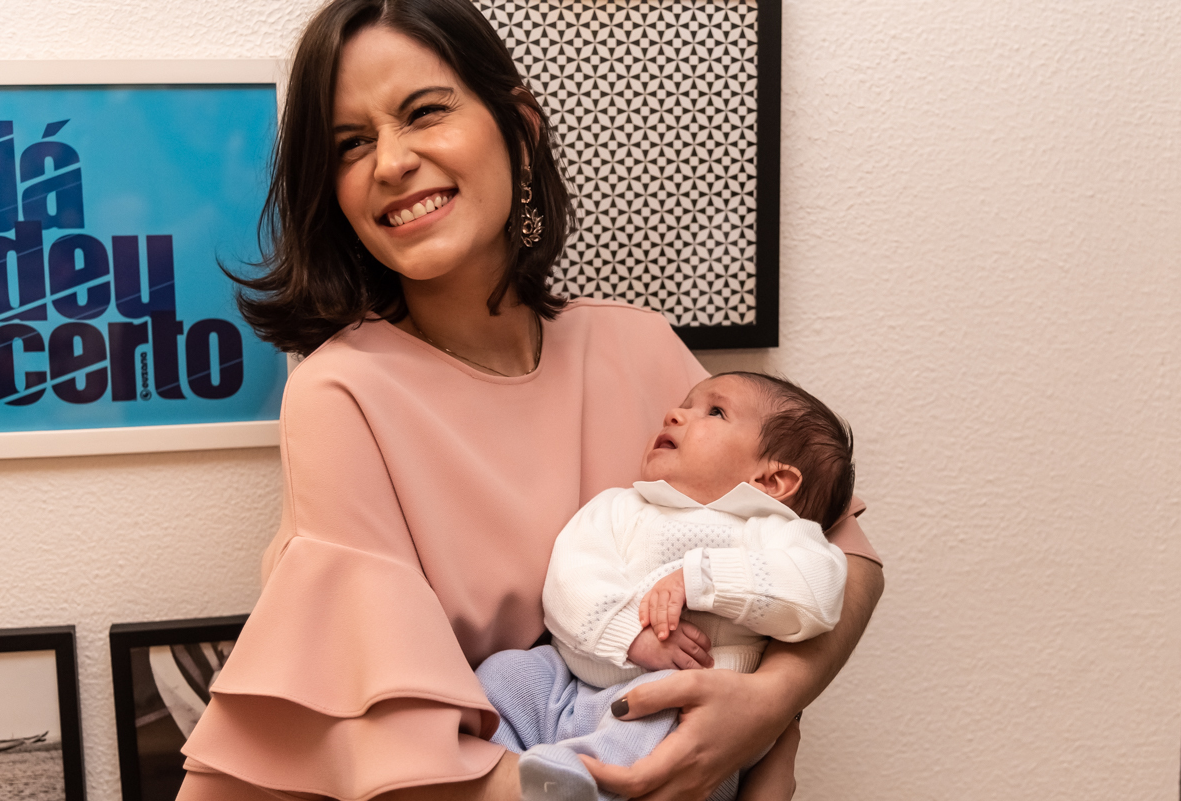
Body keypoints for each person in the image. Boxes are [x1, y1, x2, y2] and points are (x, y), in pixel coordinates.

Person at [175, 0, 884, 799]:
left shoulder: (641, 348)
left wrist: (766, 704)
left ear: (519, 124)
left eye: (425, 112)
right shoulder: (341, 394)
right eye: (351, 144)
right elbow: (400, 753)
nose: (391, 162)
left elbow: (845, 551)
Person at [478, 372, 853, 801]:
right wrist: (630, 633)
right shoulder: (620, 506)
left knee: (657, 711)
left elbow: (817, 593)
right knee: (506, 674)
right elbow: (572, 577)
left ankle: (588, 784)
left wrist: (702, 578)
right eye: (684, 404)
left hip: (690, 713)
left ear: (770, 482)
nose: (675, 414)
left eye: (714, 411)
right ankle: (525, 773)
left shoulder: (775, 532)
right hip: (574, 685)